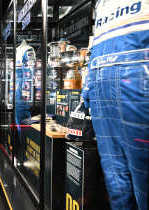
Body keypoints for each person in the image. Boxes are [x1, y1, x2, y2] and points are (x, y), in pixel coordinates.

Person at [82, 1, 148, 209]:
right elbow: (94, 47)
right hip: (102, 84)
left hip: (138, 79)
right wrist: (88, 83)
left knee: (143, 182)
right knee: (116, 182)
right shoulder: (100, 4)